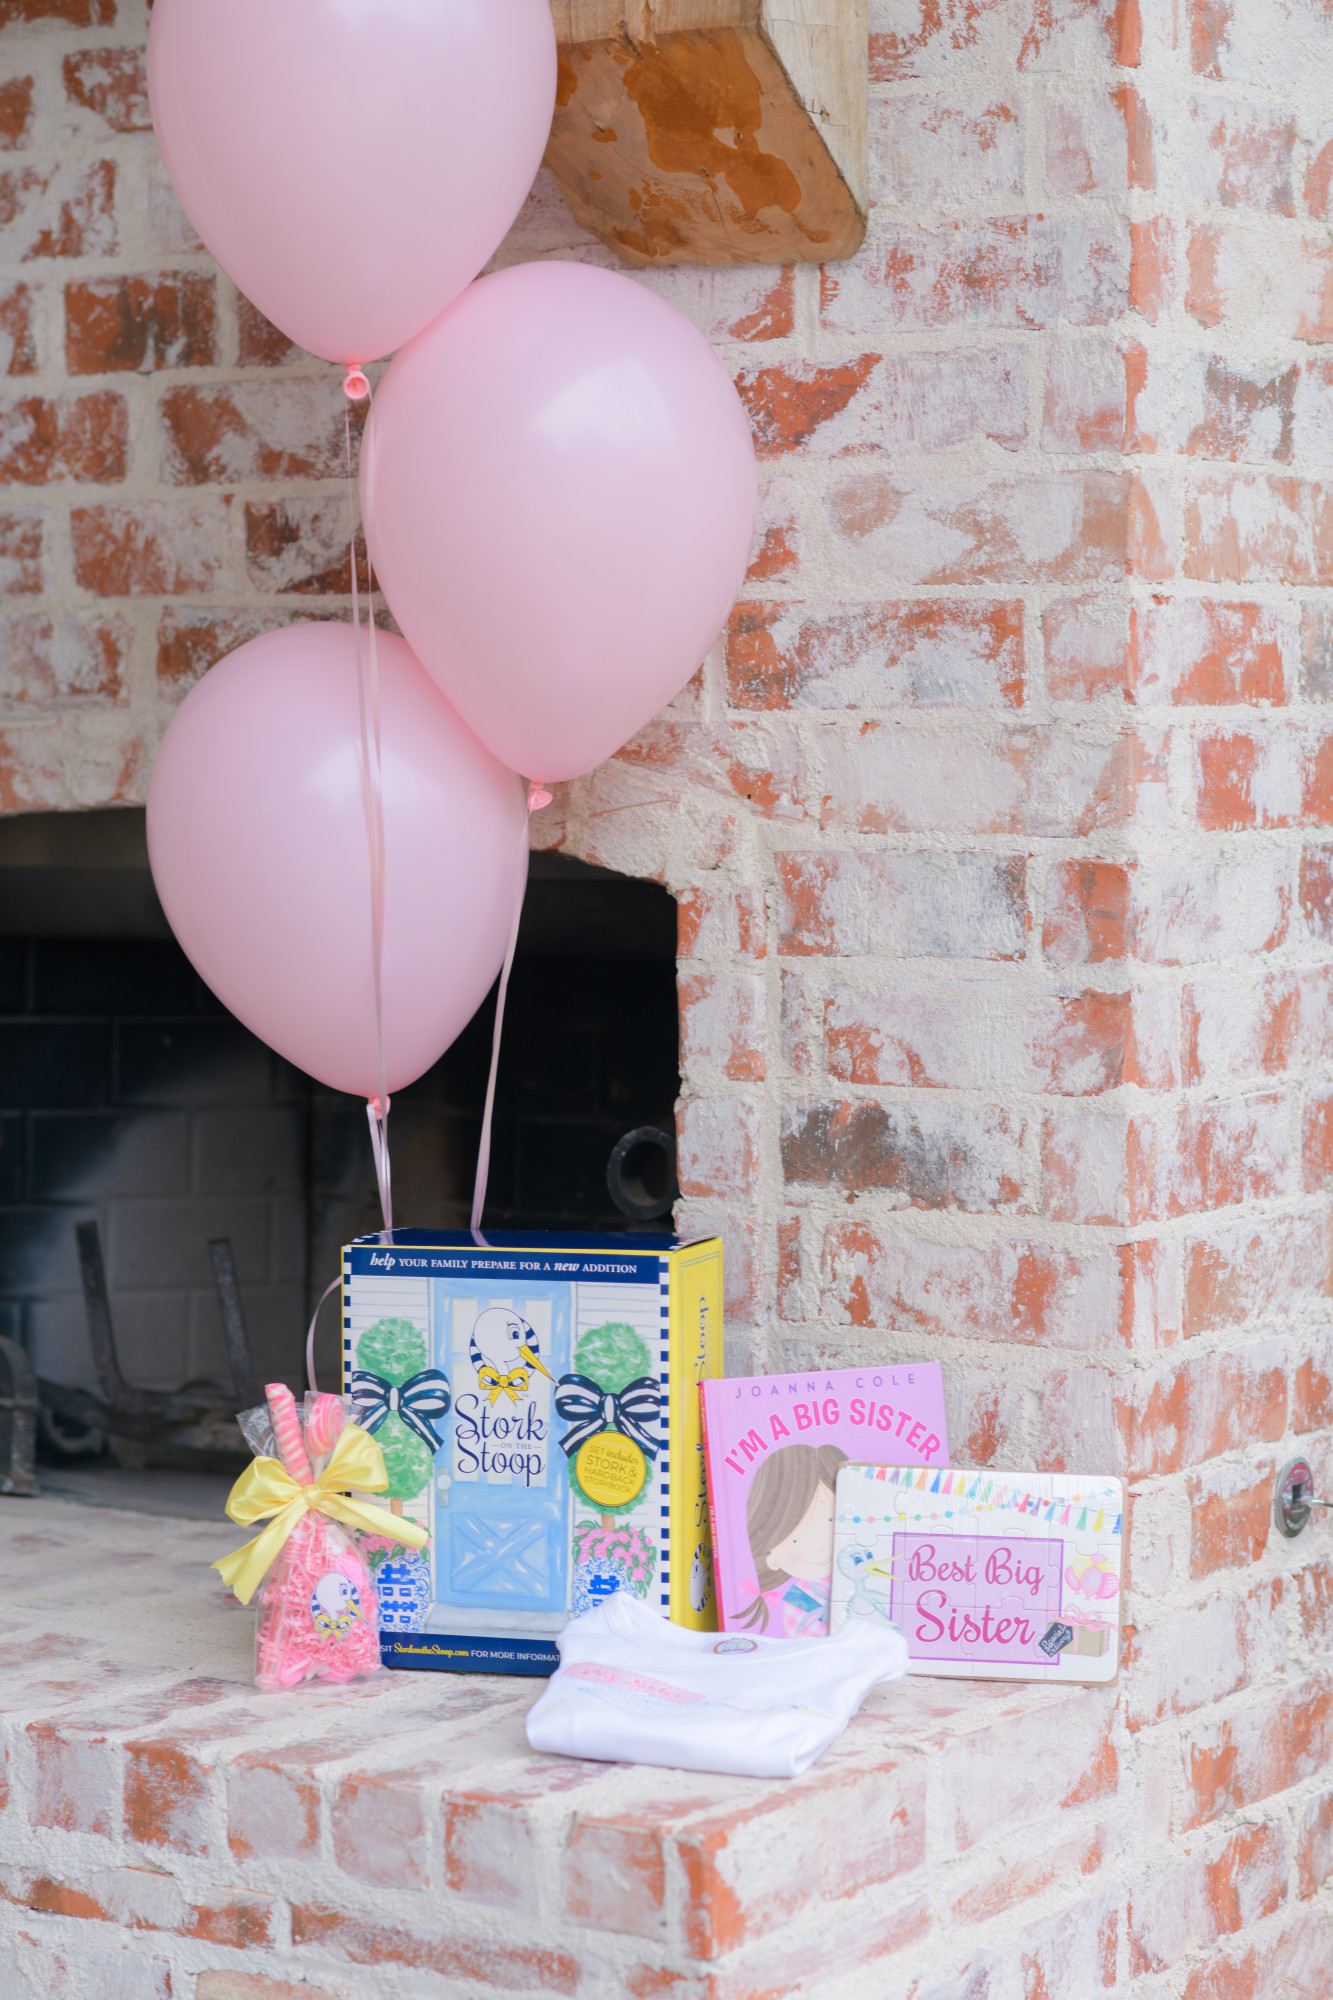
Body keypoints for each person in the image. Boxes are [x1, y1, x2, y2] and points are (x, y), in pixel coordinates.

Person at [734, 1443, 848, 1635]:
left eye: (831, 1519)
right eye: (796, 1539)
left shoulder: (855, 1572)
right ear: (772, 1558)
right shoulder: (798, 1600)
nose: (820, 1543)